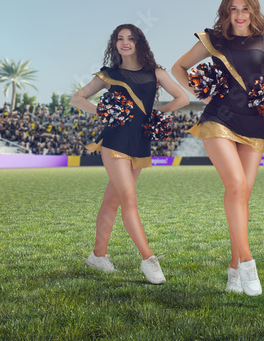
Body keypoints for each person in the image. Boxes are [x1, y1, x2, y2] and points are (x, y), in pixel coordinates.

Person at [171, 0, 264, 296]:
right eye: (233, 9)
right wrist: (198, 90)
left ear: (254, 12)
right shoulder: (214, 40)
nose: (239, 15)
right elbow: (178, 68)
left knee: (242, 196)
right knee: (235, 185)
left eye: (244, 9)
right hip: (219, 117)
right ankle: (248, 263)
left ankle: (233, 272)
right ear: (226, 12)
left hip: (254, 124)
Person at [71, 24, 189, 285]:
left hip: (140, 142)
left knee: (112, 200)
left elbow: (182, 98)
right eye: (120, 39)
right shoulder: (108, 74)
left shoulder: (155, 73)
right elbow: (77, 99)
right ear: (114, 44)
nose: (125, 43)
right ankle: (148, 259)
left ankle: (98, 256)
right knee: (129, 199)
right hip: (115, 141)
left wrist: (158, 113)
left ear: (139, 43)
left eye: (130, 39)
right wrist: (104, 112)